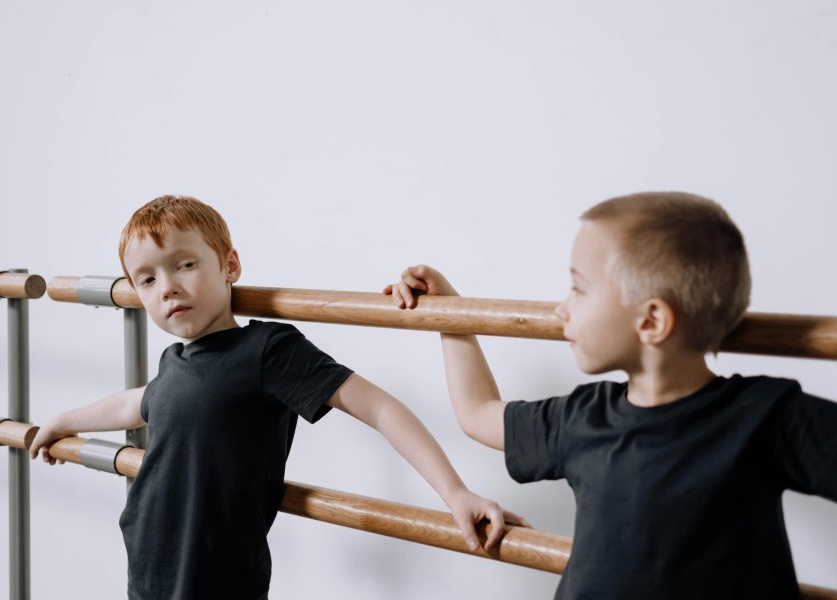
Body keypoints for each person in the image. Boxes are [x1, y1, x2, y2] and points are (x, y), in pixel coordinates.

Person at [384, 191, 837, 599]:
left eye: (578, 287)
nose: (561, 308)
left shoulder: (765, 419)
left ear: (651, 320)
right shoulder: (581, 417)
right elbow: (478, 413)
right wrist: (450, 316)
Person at [29, 195, 520, 600]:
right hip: (148, 570)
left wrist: (455, 492)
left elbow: (380, 408)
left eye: (185, 264)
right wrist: (63, 421)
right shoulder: (175, 362)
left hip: (217, 581)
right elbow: (134, 403)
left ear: (229, 265)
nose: (169, 288)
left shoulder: (266, 350)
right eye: (149, 279)